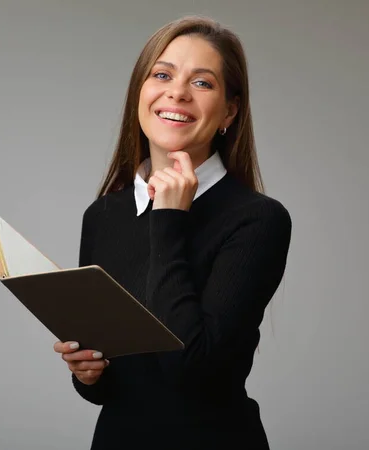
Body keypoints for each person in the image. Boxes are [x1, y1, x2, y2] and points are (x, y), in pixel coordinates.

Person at [53, 15, 292, 450]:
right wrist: (88, 372)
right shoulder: (104, 214)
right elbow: (115, 388)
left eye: (202, 83)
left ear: (230, 111)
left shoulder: (259, 220)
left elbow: (194, 371)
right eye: (162, 75)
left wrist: (169, 218)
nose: (177, 91)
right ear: (140, 93)